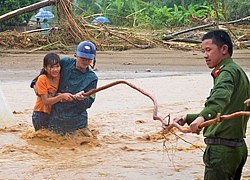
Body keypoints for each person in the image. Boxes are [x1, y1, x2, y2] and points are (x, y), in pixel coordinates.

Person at [174, 30, 250, 180]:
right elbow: (223, 113)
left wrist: (201, 118)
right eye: (203, 51)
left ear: (224, 49)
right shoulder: (238, 72)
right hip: (238, 149)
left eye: (208, 50)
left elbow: (219, 98)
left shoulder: (226, 72)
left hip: (222, 152)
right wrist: (187, 117)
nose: (205, 55)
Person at [31, 41, 98, 136]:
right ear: (76, 55)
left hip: (77, 121)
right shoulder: (65, 63)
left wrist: (81, 99)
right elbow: (47, 73)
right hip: (56, 118)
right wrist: (35, 84)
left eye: (88, 59)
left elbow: (89, 102)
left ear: (93, 60)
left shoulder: (92, 78)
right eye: (82, 58)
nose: (85, 61)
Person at [32, 53, 74, 131]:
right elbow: (46, 101)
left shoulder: (58, 76)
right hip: (40, 114)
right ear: (45, 68)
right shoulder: (42, 79)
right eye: (51, 67)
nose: (55, 70)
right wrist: (61, 96)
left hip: (51, 113)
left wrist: (58, 95)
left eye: (57, 66)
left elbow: (53, 95)